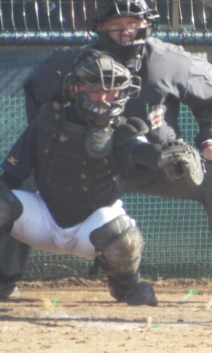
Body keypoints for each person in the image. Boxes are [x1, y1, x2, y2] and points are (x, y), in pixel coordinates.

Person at [0, 0, 212, 304]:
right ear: (99, 28)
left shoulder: (167, 61)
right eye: (115, 24)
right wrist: (52, 144)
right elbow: (37, 90)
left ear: (147, 25)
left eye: (133, 23)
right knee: (16, 184)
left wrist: (209, 141)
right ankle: (4, 278)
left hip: (155, 162)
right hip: (86, 167)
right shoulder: (72, 63)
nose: (125, 31)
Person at [0, 50, 158, 306]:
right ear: (75, 88)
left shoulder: (124, 129)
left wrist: (163, 157)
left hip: (91, 230)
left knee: (121, 234)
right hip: (44, 219)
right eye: (95, 89)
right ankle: (3, 280)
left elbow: (138, 150)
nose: (104, 98)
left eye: (113, 91)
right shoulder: (48, 120)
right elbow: (11, 178)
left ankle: (127, 286)